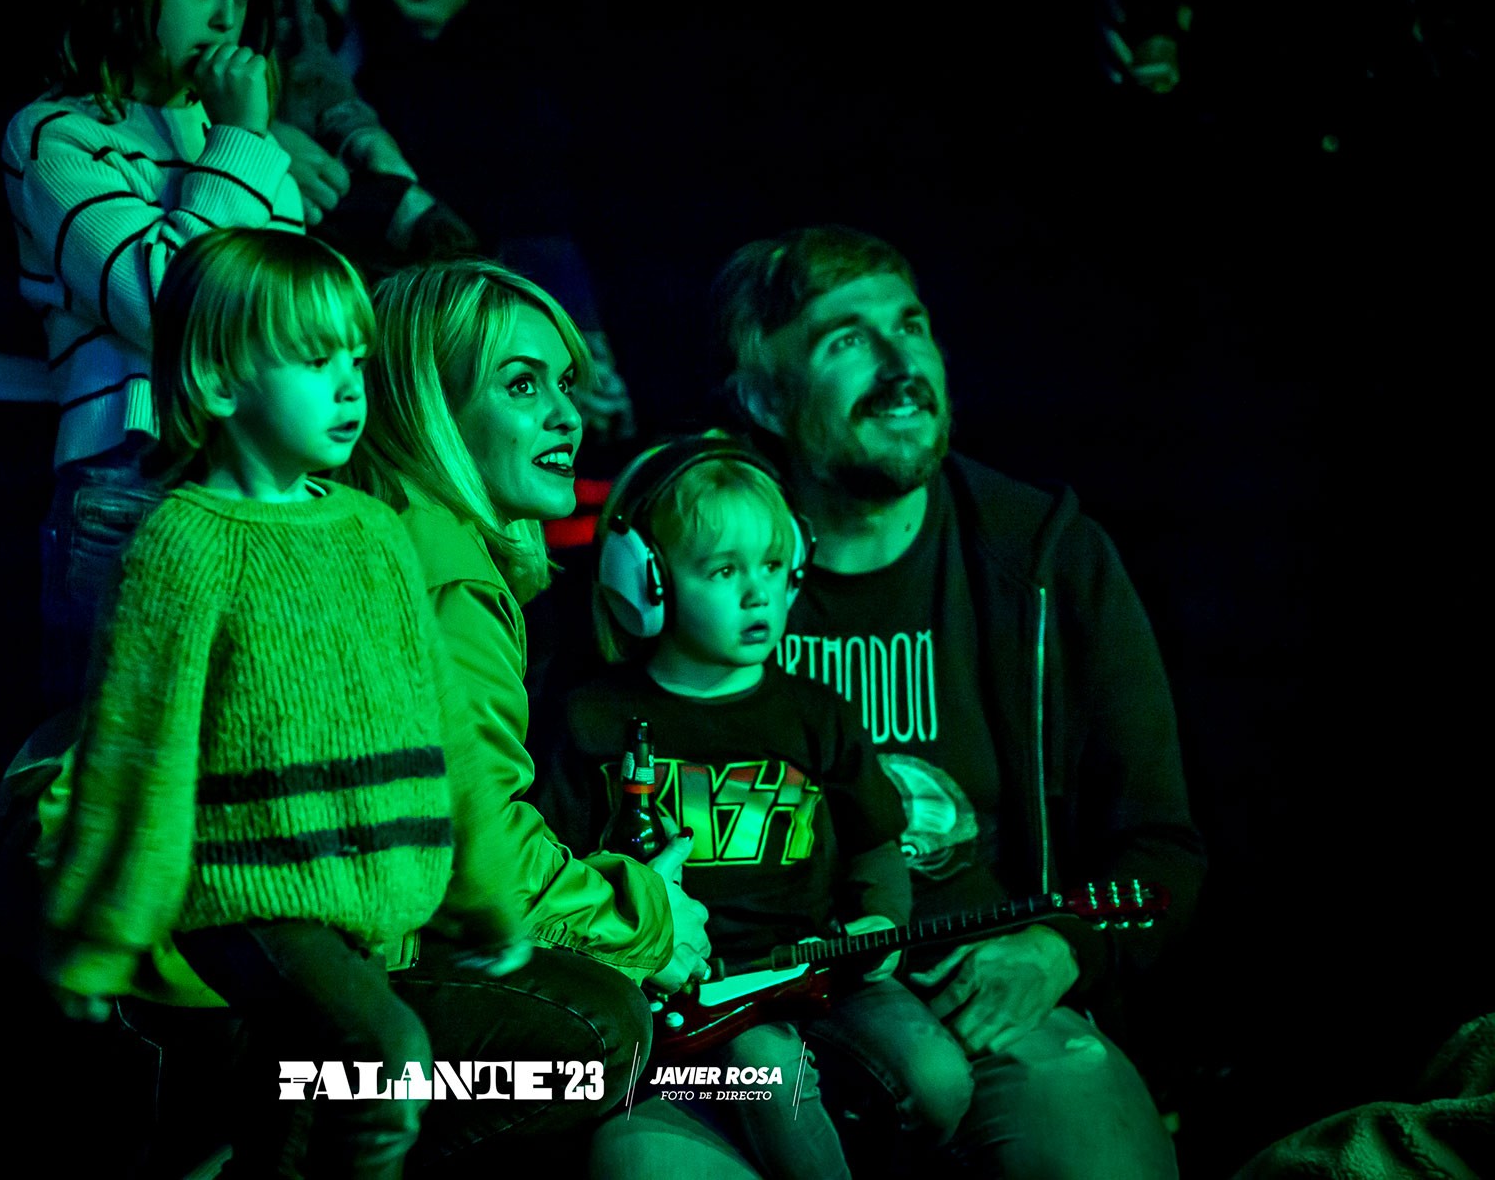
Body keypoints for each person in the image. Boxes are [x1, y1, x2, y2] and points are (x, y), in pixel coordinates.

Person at [706, 224, 1206, 1176]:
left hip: (990, 1008)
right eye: (846, 340)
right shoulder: (686, 563)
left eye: (912, 326)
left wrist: (1057, 949)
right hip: (749, 1013)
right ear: (764, 396)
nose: (900, 365)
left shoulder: (1046, 560)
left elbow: (1162, 851)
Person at [40, 227, 513, 1179]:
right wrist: (104, 933)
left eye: (357, 358)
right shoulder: (186, 541)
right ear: (219, 382)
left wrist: (486, 889)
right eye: (312, 358)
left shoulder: (375, 529)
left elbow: (446, 726)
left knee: (281, 1125)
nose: (349, 385)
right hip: (256, 895)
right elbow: (140, 749)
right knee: (390, 1067)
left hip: (368, 902)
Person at [338, 258, 710, 1167]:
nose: (566, 416)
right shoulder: (447, 572)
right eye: (521, 384)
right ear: (430, 403)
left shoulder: (385, 528)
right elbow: (480, 850)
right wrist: (648, 921)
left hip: (295, 947)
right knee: (594, 1030)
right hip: (308, 976)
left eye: (565, 384)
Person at [547, 433, 918, 1180]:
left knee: (936, 1081)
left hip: (818, 976)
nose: (759, 593)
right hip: (684, 999)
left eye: (775, 568)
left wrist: (881, 919)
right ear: (645, 583)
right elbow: (558, 873)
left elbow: (876, 844)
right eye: (723, 570)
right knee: (762, 1064)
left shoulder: (819, 716)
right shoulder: (589, 721)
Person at [0, 0, 304, 709]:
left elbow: (287, 313)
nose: (228, 11)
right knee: (112, 747)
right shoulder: (57, 137)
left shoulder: (246, 140)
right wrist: (238, 142)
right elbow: (165, 302)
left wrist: (240, 140)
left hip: (256, 474)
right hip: (129, 471)